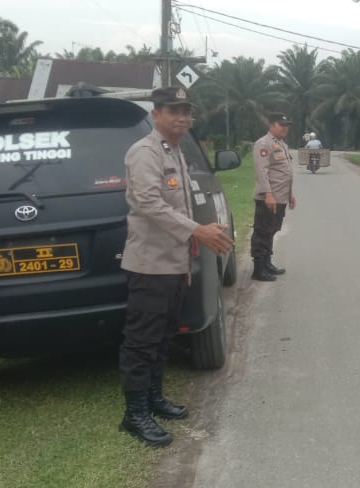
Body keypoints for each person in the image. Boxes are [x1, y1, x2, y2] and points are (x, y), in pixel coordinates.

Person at [119, 86, 233, 447]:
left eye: (186, 111)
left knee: (163, 338)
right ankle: (134, 415)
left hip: (173, 264)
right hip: (150, 266)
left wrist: (189, 251)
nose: (182, 117)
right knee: (141, 342)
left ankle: (154, 398)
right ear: (156, 114)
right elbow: (150, 205)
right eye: (174, 111)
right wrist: (198, 230)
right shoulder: (144, 153)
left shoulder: (175, 151)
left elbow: (180, 206)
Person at [251, 112, 297, 282]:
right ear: (271, 125)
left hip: (280, 197)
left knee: (272, 230)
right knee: (262, 232)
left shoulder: (281, 144)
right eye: (281, 124)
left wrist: (290, 194)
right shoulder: (263, 144)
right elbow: (261, 172)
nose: (285, 128)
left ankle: (267, 263)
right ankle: (258, 268)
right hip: (268, 198)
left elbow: (285, 172)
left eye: (286, 125)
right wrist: (268, 195)